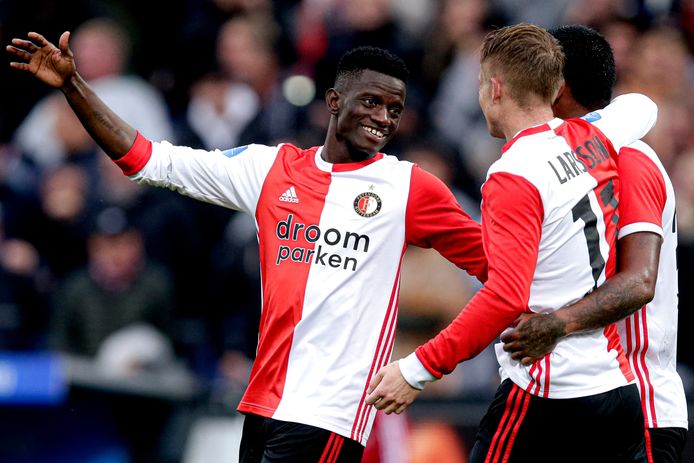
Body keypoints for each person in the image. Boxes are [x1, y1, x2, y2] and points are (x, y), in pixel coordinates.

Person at [7, 33, 488, 462]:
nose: (383, 118)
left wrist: (426, 364)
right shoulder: (269, 169)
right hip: (263, 401)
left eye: (394, 109)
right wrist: (74, 86)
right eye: (371, 102)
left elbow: (501, 273)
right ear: (334, 100)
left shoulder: (408, 187)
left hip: (331, 410)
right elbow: (146, 160)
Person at [366, 23, 658, 462]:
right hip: (615, 391)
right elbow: (642, 105)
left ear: (495, 88)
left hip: (547, 393)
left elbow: (505, 296)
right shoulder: (590, 139)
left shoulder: (513, 174)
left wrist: (417, 368)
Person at [500, 25, 688, 463]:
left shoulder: (629, 158)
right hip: (581, 395)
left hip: (639, 407)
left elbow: (641, 281)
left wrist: (557, 323)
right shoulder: (562, 164)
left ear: (558, 87)